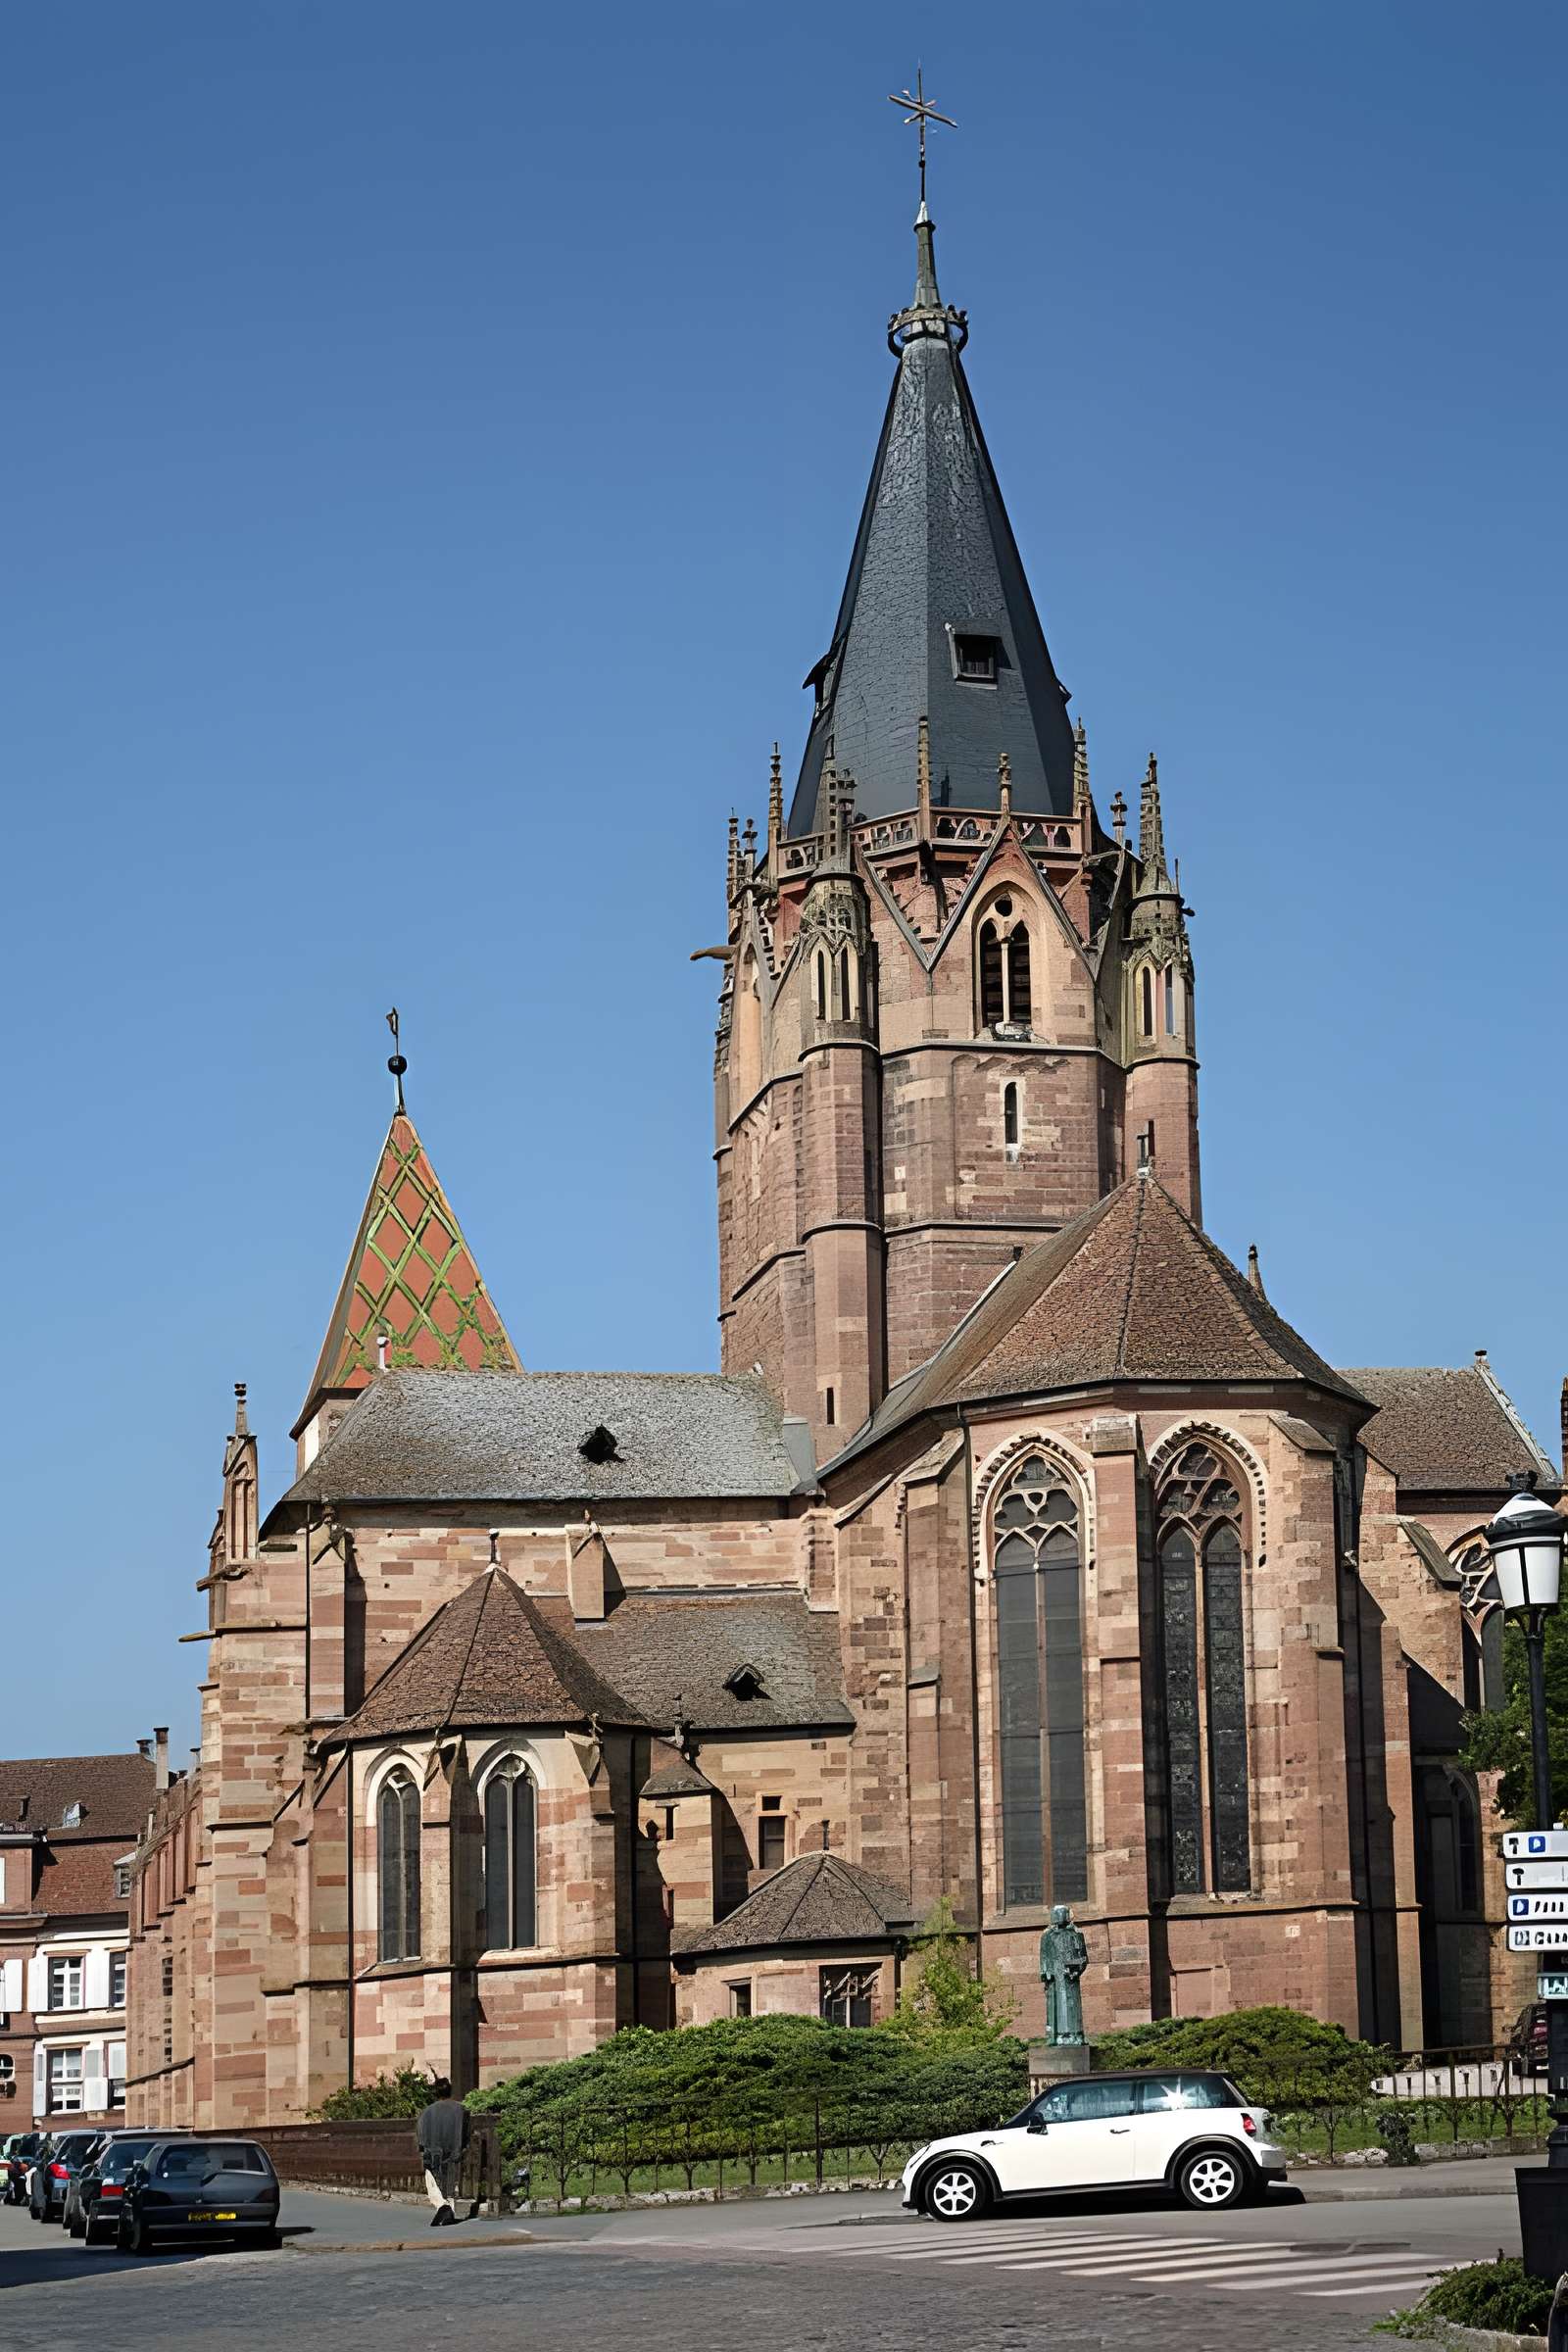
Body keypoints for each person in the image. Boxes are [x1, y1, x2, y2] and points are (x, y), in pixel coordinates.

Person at [416, 2078, 470, 2227]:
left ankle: (443, 2207)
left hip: (432, 2153)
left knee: (434, 2184)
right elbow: (466, 2133)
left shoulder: (426, 2113)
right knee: (451, 2183)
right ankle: (449, 2207)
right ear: (450, 2090)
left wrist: (423, 2150)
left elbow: (421, 2137)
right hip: (454, 2152)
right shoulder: (461, 2109)